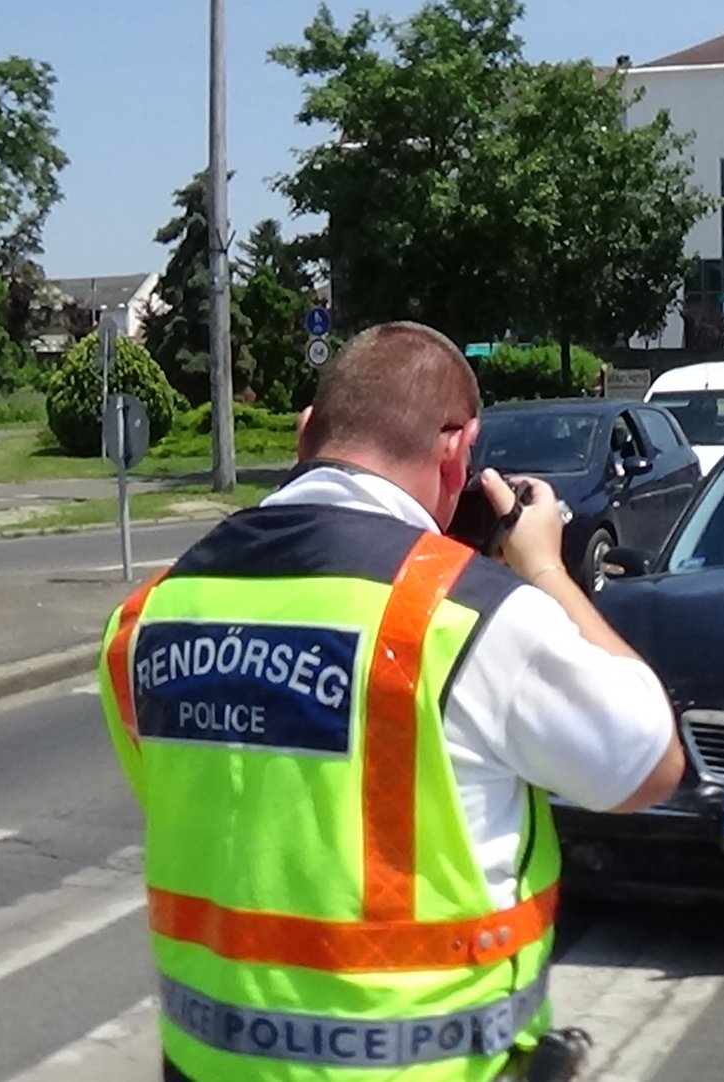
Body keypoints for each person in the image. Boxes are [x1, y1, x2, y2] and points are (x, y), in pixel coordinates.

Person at [95, 321, 685, 1082]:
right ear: (456, 449)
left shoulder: (142, 620)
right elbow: (647, 763)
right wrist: (543, 569)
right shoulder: (466, 614)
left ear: (307, 433)